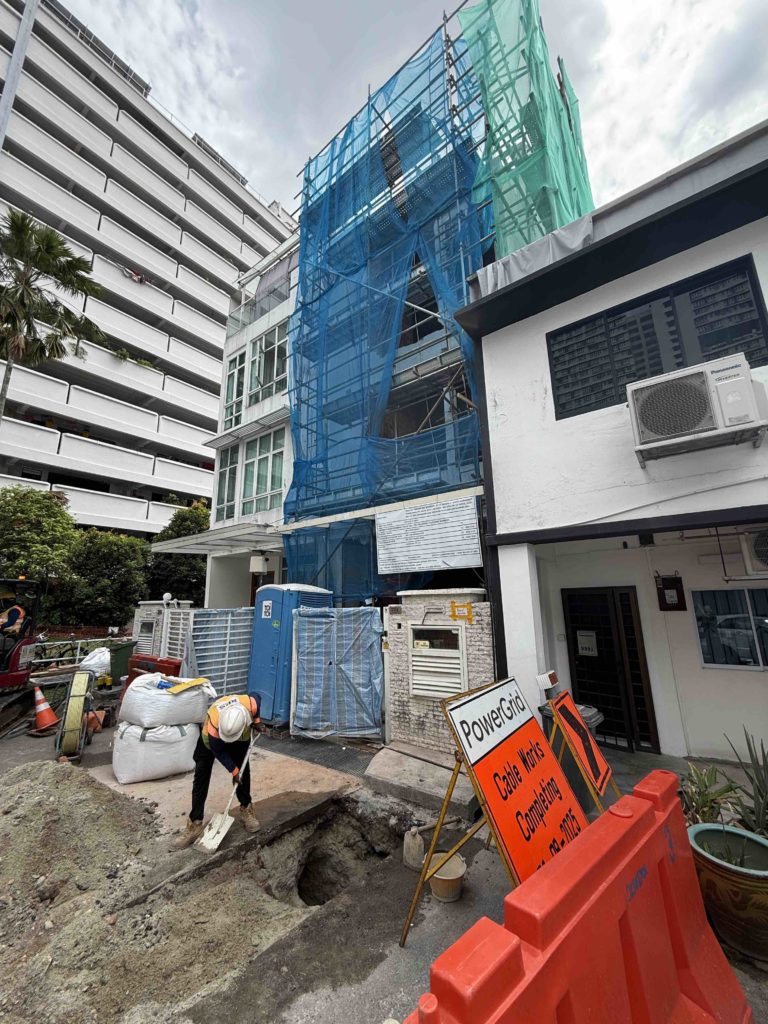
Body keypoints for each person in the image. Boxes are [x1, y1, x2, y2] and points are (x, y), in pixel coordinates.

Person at [172, 693, 261, 849]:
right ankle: (195, 823)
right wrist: (233, 771)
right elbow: (218, 751)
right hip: (212, 742)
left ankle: (246, 808)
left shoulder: (251, 704)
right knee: (201, 775)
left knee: (243, 772)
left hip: (240, 738)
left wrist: (257, 721)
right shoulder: (212, 728)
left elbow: (257, 697)